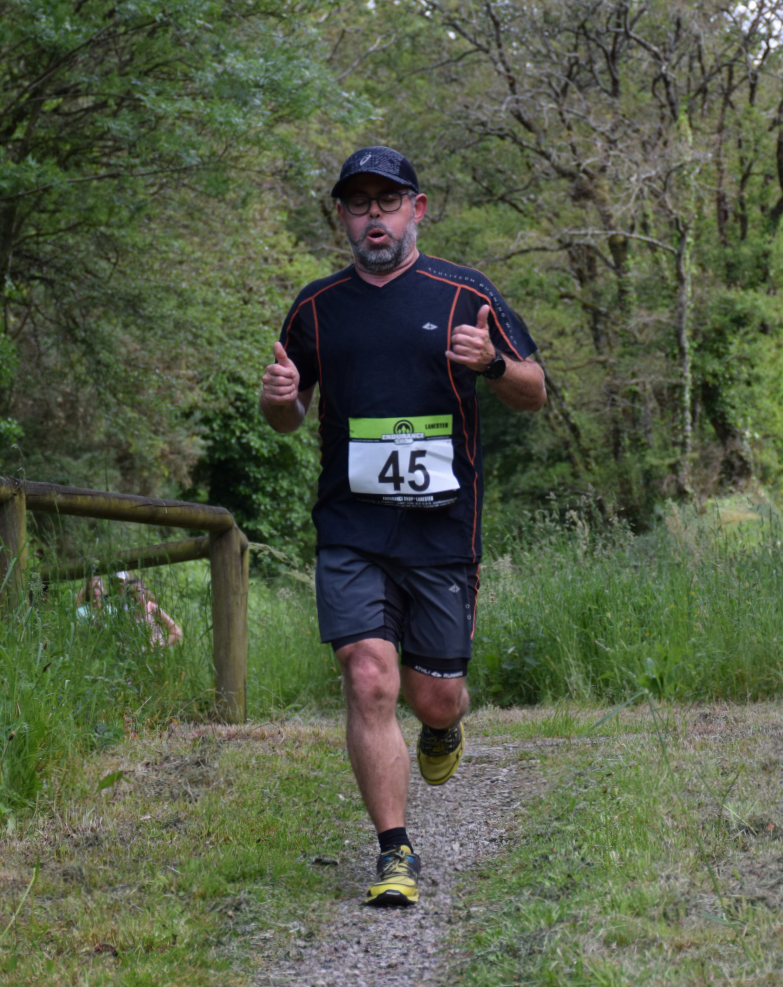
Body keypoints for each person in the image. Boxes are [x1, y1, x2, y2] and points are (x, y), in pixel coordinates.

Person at [259, 146, 546, 907]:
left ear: (417, 209)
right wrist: (280, 397)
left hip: (440, 531)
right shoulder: (316, 307)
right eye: (358, 205)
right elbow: (287, 413)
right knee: (366, 675)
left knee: (435, 698)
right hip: (351, 526)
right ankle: (394, 852)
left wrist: (492, 364)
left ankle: (444, 725)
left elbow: (535, 391)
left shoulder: (464, 294)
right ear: (342, 218)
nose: (373, 218)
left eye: (387, 202)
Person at [75, 571, 184, 647]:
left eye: (139, 591)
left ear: (145, 591)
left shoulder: (152, 608)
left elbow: (176, 631)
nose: (136, 596)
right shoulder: (124, 612)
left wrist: (163, 646)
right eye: (131, 593)